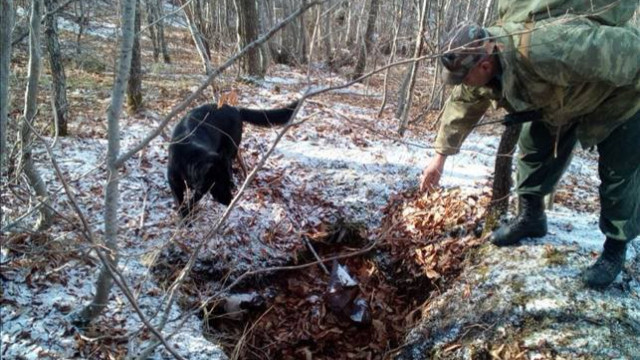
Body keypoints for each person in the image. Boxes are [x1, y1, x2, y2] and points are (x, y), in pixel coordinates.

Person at [420, 19, 640, 289]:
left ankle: (615, 250)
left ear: (484, 65)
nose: (463, 83)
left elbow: (626, 51)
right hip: (563, 104)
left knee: (618, 174)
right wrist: (440, 157)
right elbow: (463, 101)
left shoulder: (548, 48)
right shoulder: (483, 64)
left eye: (464, 77)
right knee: (533, 150)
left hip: (621, 97)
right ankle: (532, 217)